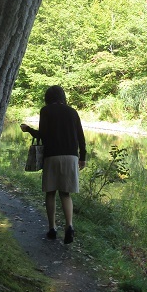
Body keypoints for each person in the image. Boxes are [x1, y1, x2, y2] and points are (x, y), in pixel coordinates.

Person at [21, 85, 86, 244]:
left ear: (48, 97)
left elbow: (42, 135)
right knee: (65, 194)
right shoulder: (73, 112)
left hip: (51, 156)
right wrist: (82, 157)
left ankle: (52, 228)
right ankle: (69, 226)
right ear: (62, 97)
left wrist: (28, 129)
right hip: (71, 156)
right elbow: (81, 137)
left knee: (50, 193)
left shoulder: (46, 111)